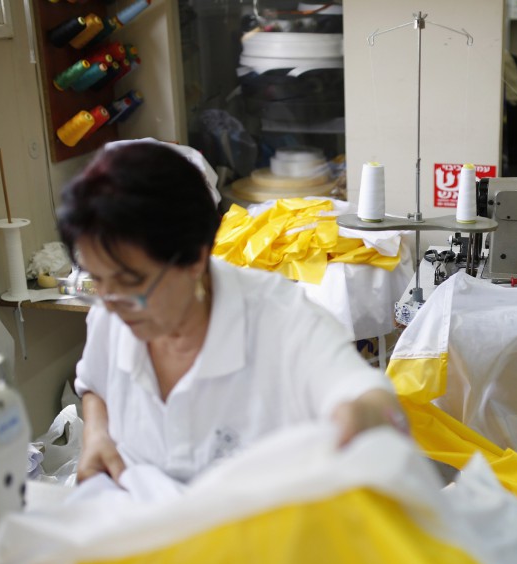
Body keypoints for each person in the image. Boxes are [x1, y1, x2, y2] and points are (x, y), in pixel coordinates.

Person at [57, 140, 406, 484]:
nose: (111, 303)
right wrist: (98, 434)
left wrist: (362, 418)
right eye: (97, 280)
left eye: (129, 282)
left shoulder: (279, 318)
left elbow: (364, 393)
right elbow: (94, 385)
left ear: (194, 258)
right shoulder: (112, 307)